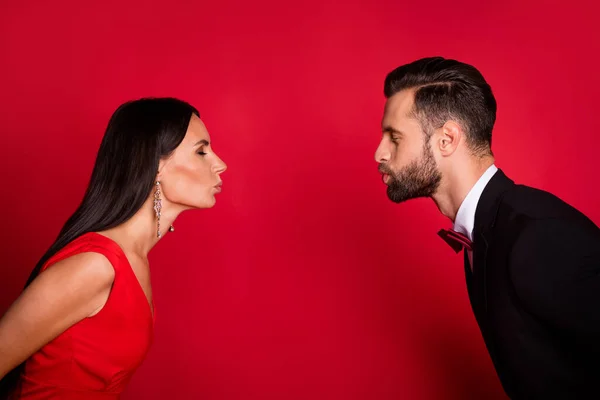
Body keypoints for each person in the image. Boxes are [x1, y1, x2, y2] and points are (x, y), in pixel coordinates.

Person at [374, 56, 600, 398]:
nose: (379, 153)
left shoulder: (537, 236)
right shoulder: (482, 231)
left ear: (447, 139)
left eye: (394, 136)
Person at [0, 97, 227, 399]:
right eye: (201, 151)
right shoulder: (95, 264)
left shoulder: (133, 260)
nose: (220, 164)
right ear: (154, 166)